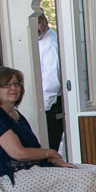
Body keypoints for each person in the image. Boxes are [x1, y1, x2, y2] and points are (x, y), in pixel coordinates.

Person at [37, 13, 64, 153]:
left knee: (48, 151)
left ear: (45, 21)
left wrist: (42, 112)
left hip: (50, 107)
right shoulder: (38, 42)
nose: (35, 28)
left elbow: (51, 84)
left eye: (38, 22)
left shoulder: (51, 44)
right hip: (45, 106)